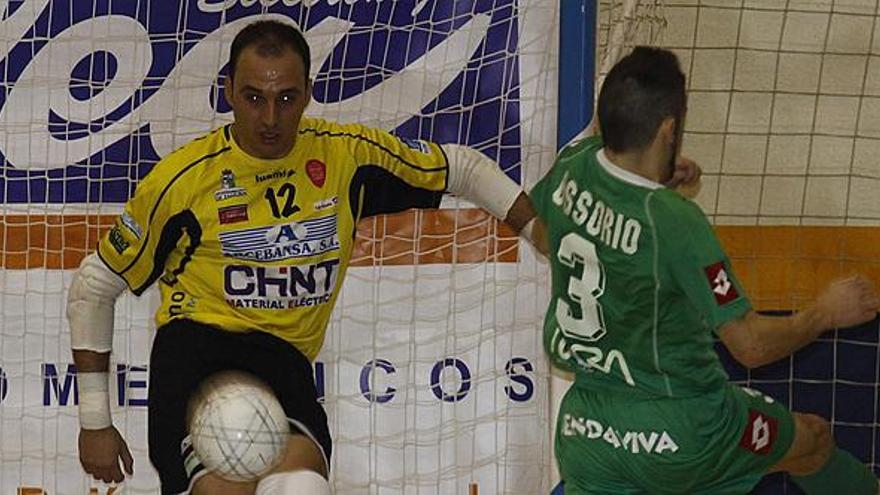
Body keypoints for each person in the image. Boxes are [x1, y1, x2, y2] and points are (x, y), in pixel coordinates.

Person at [66, 20, 541, 495]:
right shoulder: (183, 181)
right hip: (197, 357)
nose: (270, 117)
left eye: (287, 98)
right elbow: (94, 286)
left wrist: (540, 231)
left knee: (303, 488)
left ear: (309, 92)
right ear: (228, 91)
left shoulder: (344, 157)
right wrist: (94, 421)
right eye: (254, 97)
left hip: (283, 364)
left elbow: (461, 167)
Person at [529, 46, 880, 495]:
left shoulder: (572, 166)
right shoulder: (674, 221)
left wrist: (651, 181)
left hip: (587, 431)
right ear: (669, 129)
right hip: (685, 430)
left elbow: (544, 235)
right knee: (811, 441)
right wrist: (824, 313)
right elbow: (750, 346)